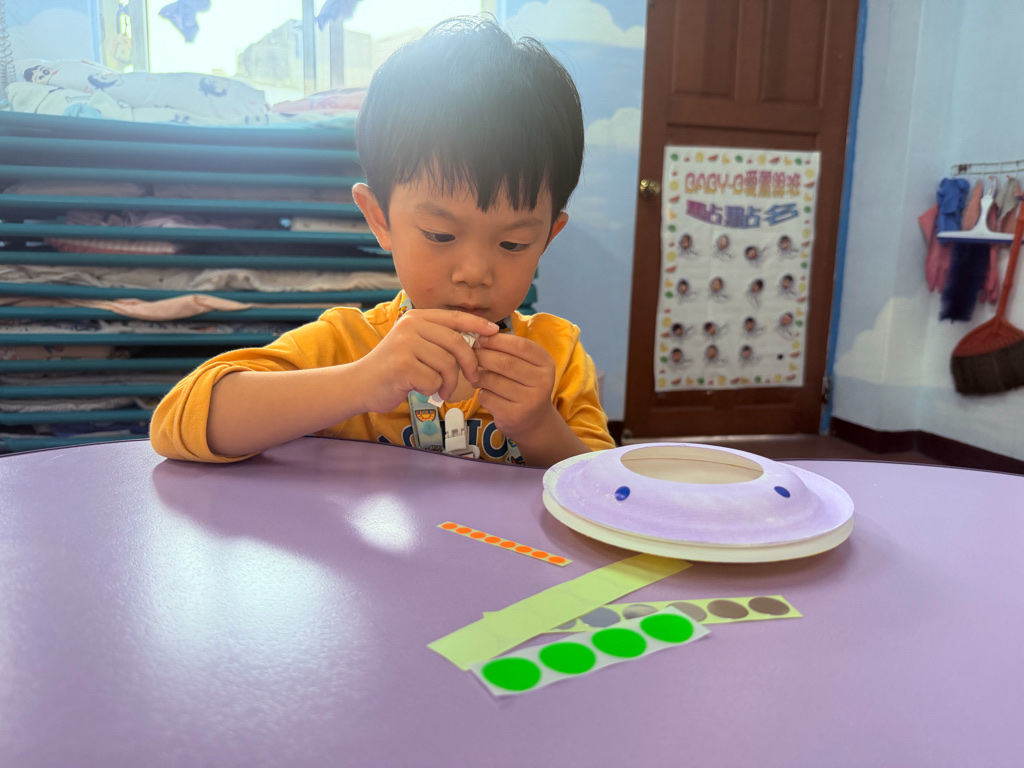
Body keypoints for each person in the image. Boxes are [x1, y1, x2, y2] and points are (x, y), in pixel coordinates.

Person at [149, 18, 614, 468]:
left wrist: (539, 426)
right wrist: (360, 382)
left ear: (547, 238)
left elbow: (609, 492)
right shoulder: (349, 345)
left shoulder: (557, 355)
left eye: (513, 243)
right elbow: (175, 424)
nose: (474, 273)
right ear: (379, 219)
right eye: (440, 234)